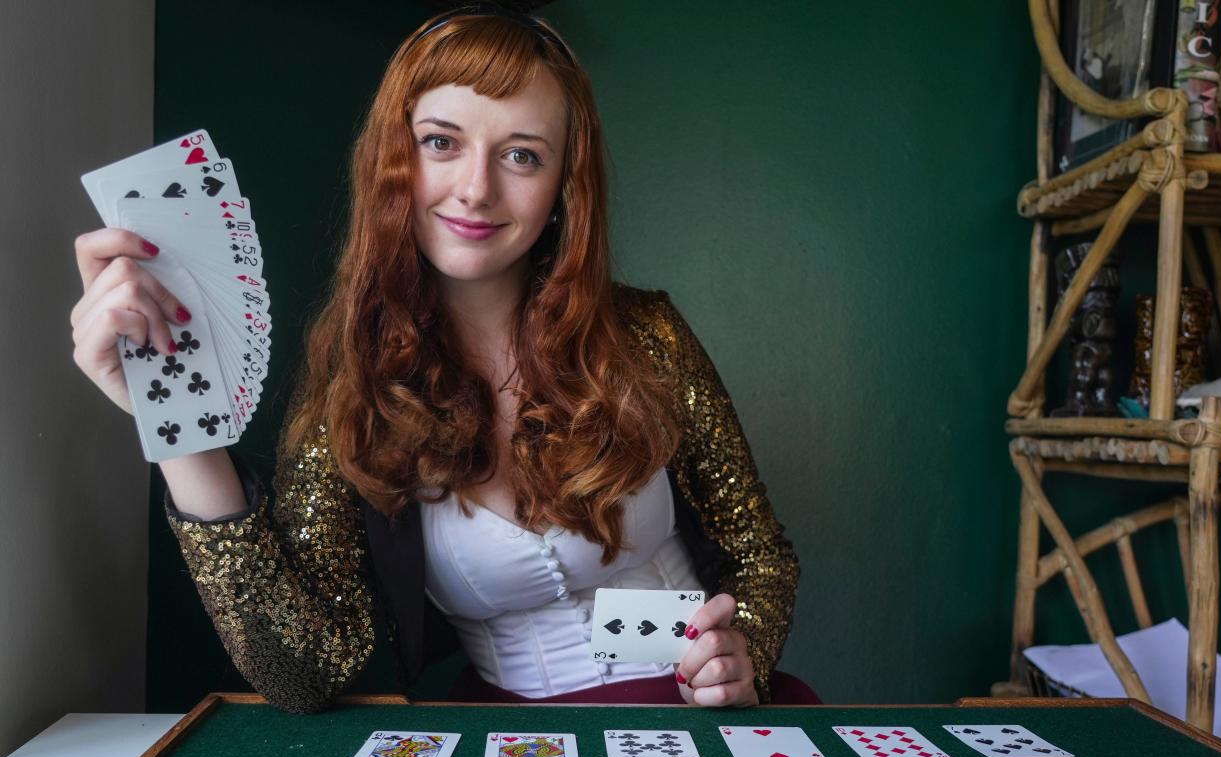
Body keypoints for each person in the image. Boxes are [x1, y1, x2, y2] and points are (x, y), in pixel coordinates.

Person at [69, 5, 814, 713]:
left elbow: (761, 555)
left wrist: (742, 644)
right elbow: (302, 672)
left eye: (522, 155)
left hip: (700, 721)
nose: (476, 188)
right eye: (441, 142)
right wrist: (180, 427)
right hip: (510, 744)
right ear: (394, 159)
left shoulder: (646, 332)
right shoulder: (351, 392)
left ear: (563, 186)